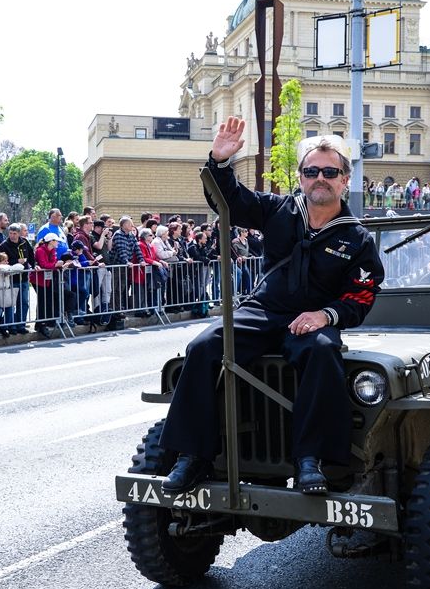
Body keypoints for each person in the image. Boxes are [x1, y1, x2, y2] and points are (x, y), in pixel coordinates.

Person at [160, 117, 384, 496]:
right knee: (204, 346)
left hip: (311, 321)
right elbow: (229, 200)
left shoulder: (356, 238)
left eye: (330, 171)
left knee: (325, 352)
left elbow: (361, 295)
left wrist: (325, 315)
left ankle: (311, 460)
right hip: (265, 311)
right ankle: (193, 456)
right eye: (311, 171)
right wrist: (219, 161)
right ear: (300, 177)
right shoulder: (279, 210)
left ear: (345, 179)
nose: (320, 178)